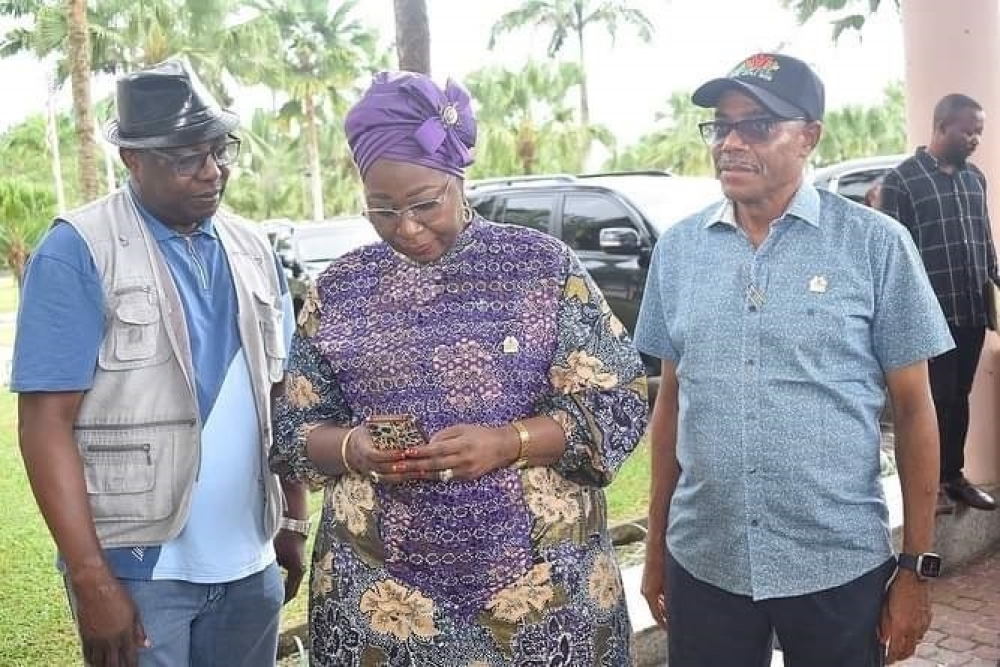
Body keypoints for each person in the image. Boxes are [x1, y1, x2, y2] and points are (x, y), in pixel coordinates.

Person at [270, 70, 648, 666]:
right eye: (383, 209)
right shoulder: (338, 289)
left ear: (457, 178)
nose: (408, 226)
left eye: (425, 203)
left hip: (541, 595)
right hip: (382, 603)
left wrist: (509, 442)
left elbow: (618, 402)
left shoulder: (541, 267)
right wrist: (353, 449)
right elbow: (294, 430)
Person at [633, 53, 954, 667]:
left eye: (756, 126)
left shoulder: (875, 245)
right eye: (720, 127)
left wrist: (915, 569)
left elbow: (915, 410)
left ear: (809, 138)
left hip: (836, 561)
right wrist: (657, 551)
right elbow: (671, 404)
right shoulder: (678, 252)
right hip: (707, 561)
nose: (730, 143)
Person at [12, 58, 307, 667]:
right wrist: (92, 578)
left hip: (250, 561)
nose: (212, 172)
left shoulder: (254, 248)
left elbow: (279, 398)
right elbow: (44, 424)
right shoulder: (77, 251)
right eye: (185, 158)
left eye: (219, 150)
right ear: (132, 159)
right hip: (139, 570)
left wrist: (292, 521)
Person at [880, 93, 998, 512]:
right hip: (927, 317)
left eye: (979, 132)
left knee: (958, 397)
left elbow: (985, 242)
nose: (974, 139)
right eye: (968, 130)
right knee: (925, 402)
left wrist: (995, 287)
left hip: (969, 311)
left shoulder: (974, 179)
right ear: (942, 126)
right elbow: (891, 256)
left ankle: (953, 476)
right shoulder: (902, 180)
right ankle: (925, 487)